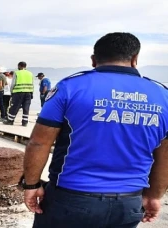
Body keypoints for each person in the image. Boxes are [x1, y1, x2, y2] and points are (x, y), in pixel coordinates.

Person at [22, 32, 168, 228]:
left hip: (70, 199)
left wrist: (31, 185)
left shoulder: (70, 87)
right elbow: (165, 153)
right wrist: (154, 195)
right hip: (128, 204)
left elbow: (39, 142)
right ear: (135, 59)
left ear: (93, 60)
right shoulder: (162, 95)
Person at [3, 62, 33, 126]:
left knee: (14, 107)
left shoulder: (17, 73)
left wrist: (11, 92)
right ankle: (25, 122)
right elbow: (32, 84)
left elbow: (13, 83)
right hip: (28, 93)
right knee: (26, 107)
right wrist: (31, 93)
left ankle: (10, 120)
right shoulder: (30, 73)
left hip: (18, 92)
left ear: (19, 66)